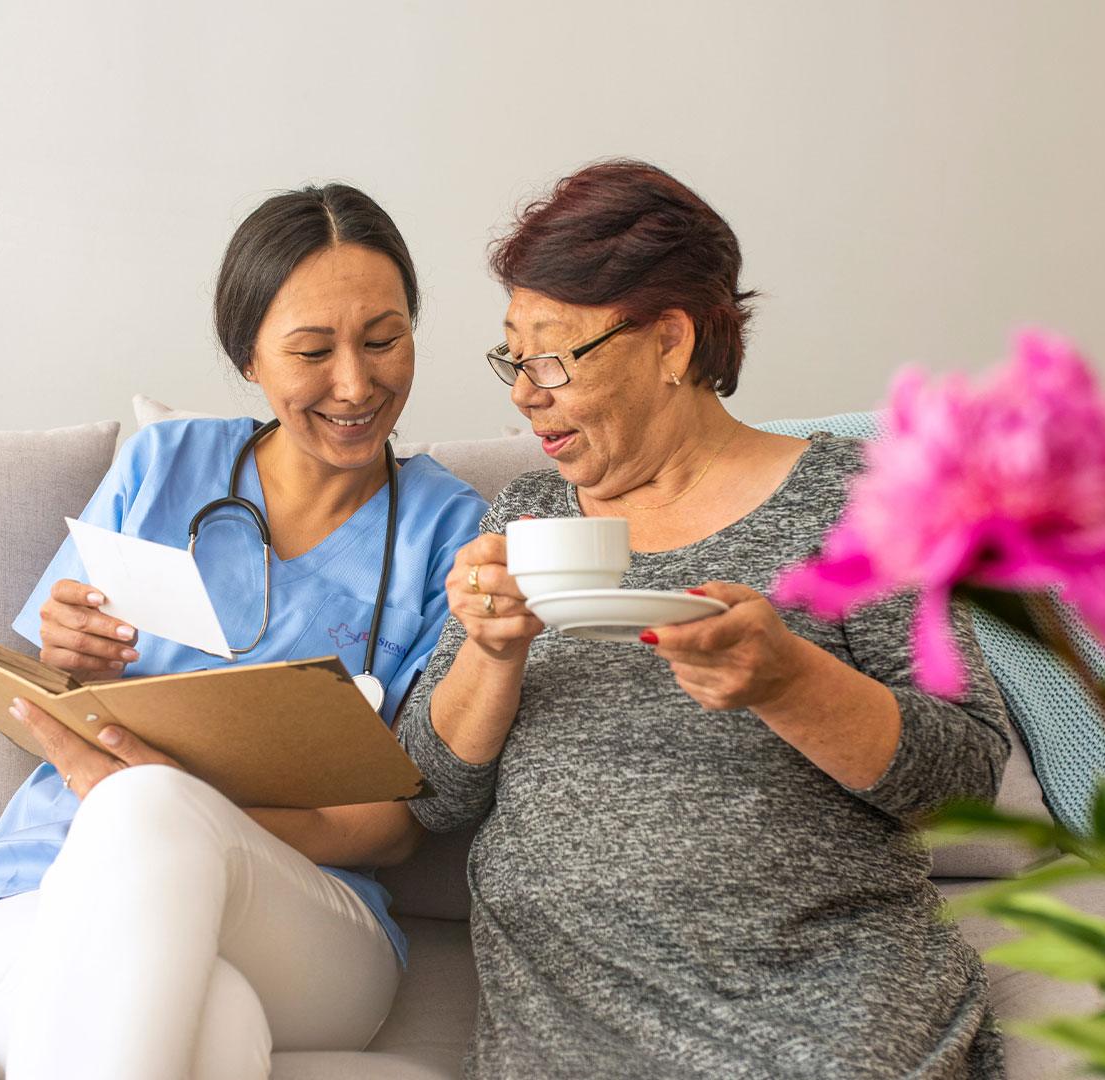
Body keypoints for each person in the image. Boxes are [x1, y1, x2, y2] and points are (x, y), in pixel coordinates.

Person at [395, 160, 1012, 1079]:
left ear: (672, 343)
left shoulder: (858, 500)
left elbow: (963, 777)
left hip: (822, 1024)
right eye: (513, 354)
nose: (524, 391)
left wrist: (790, 680)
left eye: (553, 355)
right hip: (570, 1039)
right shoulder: (525, 519)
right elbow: (430, 792)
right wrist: (491, 652)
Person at [0, 183, 487, 1080]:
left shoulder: (452, 533)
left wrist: (188, 801)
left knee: (148, 803)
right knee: (216, 1029)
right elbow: (48, 698)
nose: (357, 383)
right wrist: (59, 655)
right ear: (249, 358)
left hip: (305, 911)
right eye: (313, 350)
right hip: (46, 877)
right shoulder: (164, 466)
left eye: (384, 339)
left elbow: (394, 828)